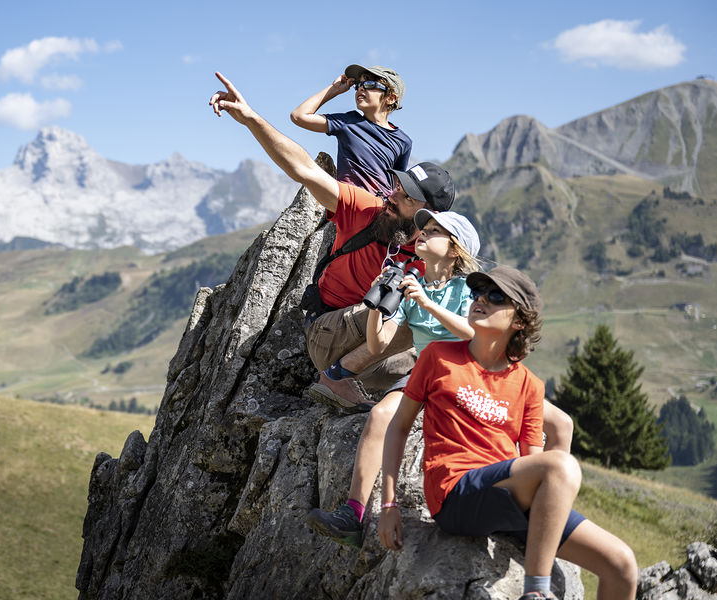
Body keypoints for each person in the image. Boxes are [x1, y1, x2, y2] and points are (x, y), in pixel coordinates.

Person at [306, 218, 573, 548]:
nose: (423, 234)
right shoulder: (411, 288)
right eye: (425, 229)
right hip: (428, 371)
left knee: (562, 424)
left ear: (454, 249)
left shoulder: (468, 290)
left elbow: (474, 333)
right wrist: (376, 305)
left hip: (478, 372)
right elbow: (378, 345)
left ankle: (549, 511)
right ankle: (354, 514)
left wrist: (427, 304)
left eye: (435, 232)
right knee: (380, 415)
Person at [377, 266, 638, 600]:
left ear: (520, 321)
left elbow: (533, 465)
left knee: (622, 564)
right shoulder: (438, 357)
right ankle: (536, 591)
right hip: (455, 495)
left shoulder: (530, 385)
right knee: (562, 465)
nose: (481, 300)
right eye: (478, 293)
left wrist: (548, 517)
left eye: (496, 296)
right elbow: (398, 428)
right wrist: (389, 505)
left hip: (504, 499)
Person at [210, 72, 456, 410]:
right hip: (328, 332)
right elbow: (304, 169)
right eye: (398, 187)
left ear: (428, 214)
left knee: (443, 343)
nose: (393, 195)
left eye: (407, 196)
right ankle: (335, 379)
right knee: (418, 314)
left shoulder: (431, 253)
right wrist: (251, 118)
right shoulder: (368, 210)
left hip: (372, 347)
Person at [290, 64, 411, 197]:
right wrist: (334, 89)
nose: (361, 88)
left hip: (379, 206)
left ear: (391, 98)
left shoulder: (403, 141)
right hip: (349, 202)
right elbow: (299, 116)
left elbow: (396, 187)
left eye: (369, 84)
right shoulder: (347, 122)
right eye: (358, 85)